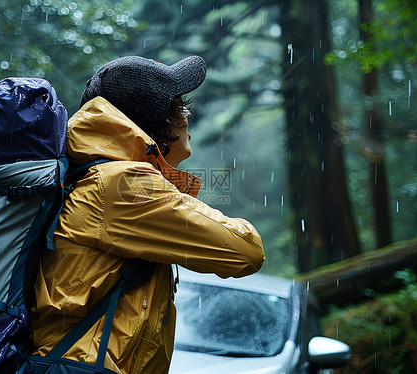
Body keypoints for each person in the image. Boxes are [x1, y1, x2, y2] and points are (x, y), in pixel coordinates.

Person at [30, 55, 265, 374]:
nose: (188, 116)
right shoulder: (123, 185)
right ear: (157, 119)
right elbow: (246, 251)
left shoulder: (94, 174)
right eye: (180, 108)